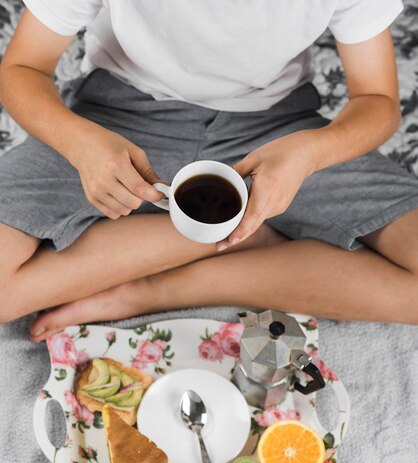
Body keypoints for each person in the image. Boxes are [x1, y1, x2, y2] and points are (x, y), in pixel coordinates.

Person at [0, 0, 417, 341]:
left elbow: (378, 99)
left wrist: (309, 153)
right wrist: (79, 143)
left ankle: (150, 289)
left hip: (277, 131)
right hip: (119, 118)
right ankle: (244, 235)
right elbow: (23, 68)